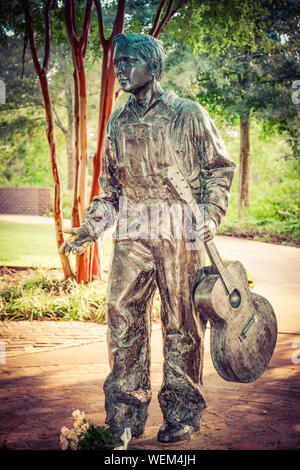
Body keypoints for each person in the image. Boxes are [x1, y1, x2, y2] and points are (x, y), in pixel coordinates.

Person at [60, 33, 236, 444]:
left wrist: (210, 213)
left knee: (181, 324)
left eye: (128, 61)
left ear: (152, 67)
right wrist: (90, 229)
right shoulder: (118, 122)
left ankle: (183, 413)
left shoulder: (189, 114)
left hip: (180, 229)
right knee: (122, 322)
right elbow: (109, 191)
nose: (119, 68)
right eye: (117, 62)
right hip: (133, 232)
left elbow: (220, 168)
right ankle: (124, 414)